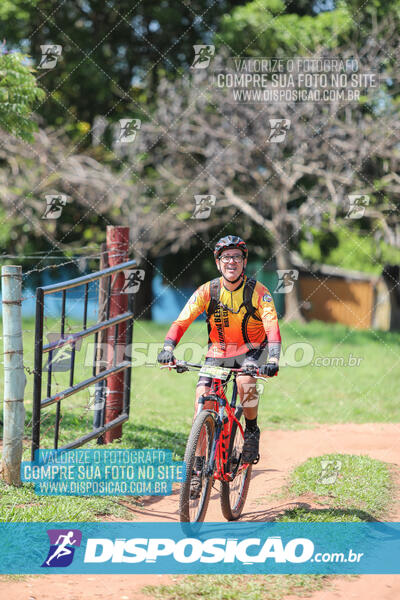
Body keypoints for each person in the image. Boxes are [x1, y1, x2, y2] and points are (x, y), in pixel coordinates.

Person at [157, 235, 281, 496]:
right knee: (202, 400)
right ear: (218, 263)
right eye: (226, 257)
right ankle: (197, 468)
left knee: (245, 381)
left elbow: (271, 325)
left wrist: (273, 359)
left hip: (252, 350)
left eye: (237, 256)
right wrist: (168, 347)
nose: (231, 261)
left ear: (244, 262)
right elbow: (181, 321)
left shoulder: (259, 292)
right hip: (219, 352)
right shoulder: (208, 291)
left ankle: (251, 431)